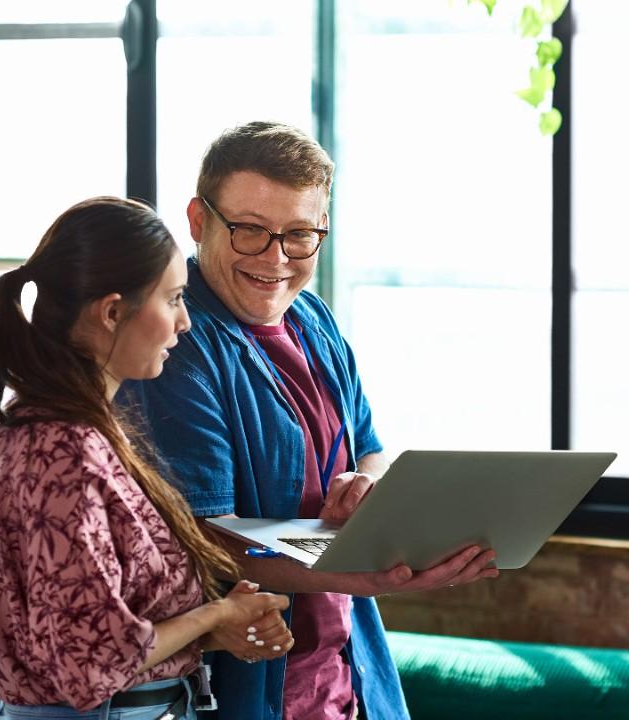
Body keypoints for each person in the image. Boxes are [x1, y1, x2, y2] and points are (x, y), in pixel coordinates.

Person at [120, 122, 498, 720]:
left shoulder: (313, 318)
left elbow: (372, 448)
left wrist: (370, 486)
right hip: (246, 692)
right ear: (198, 220)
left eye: (299, 235)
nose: (275, 259)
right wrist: (371, 574)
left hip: (350, 683)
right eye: (249, 231)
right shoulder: (175, 344)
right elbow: (203, 540)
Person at [0, 197, 295, 719]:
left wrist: (220, 624)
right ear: (112, 312)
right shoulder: (59, 450)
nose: (184, 322)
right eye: (174, 299)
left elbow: (103, 623)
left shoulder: (78, 430)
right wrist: (213, 616)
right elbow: (89, 664)